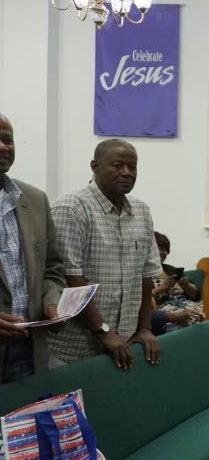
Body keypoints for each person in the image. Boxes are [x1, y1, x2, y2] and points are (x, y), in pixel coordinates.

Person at [50, 139, 161, 370]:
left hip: (125, 343)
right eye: (117, 165)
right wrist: (103, 331)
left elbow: (146, 275)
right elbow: (71, 278)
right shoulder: (72, 207)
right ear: (95, 166)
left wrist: (144, 328)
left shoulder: (141, 211)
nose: (127, 172)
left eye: (132, 167)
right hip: (76, 348)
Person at [0, 112, 65, 383]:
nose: (3, 147)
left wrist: (51, 301)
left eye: (8, 140)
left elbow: (52, 267)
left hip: (30, 349)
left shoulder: (36, 200)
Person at [150, 231, 202, 335]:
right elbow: (141, 303)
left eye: (165, 250)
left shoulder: (171, 270)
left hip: (189, 305)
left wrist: (186, 285)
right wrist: (161, 288)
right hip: (166, 313)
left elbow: (196, 296)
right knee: (196, 320)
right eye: (159, 248)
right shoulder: (141, 274)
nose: (163, 252)